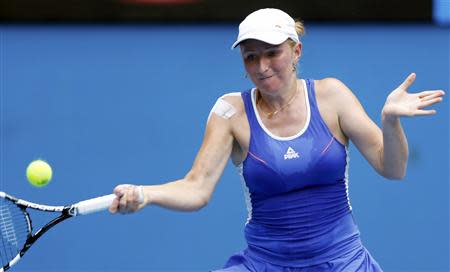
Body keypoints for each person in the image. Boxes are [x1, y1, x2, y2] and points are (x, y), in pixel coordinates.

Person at [108, 8, 445, 272]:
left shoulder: (332, 96)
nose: (262, 66)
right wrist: (145, 194)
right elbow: (196, 189)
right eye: (251, 56)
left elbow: (393, 168)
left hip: (343, 264)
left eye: (272, 53)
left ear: (296, 51)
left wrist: (390, 121)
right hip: (263, 265)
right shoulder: (230, 112)